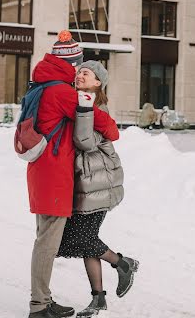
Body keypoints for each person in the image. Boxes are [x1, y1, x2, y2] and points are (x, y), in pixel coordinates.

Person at [27, 33, 120, 318]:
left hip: (41, 171)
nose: (78, 73)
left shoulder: (40, 86)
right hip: (56, 173)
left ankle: (43, 301)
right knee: (48, 243)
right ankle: (40, 305)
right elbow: (108, 131)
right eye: (77, 67)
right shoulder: (63, 92)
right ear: (70, 63)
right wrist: (90, 107)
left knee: (47, 238)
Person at [57, 61, 139, 317]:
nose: (80, 74)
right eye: (79, 71)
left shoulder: (95, 108)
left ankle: (123, 264)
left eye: (87, 73)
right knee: (84, 242)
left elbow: (84, 142)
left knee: (82, 239)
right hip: (86, 185)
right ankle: (99, 297)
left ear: (97, 83)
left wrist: (83, 108)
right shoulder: (78, 103)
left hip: (99, 185)